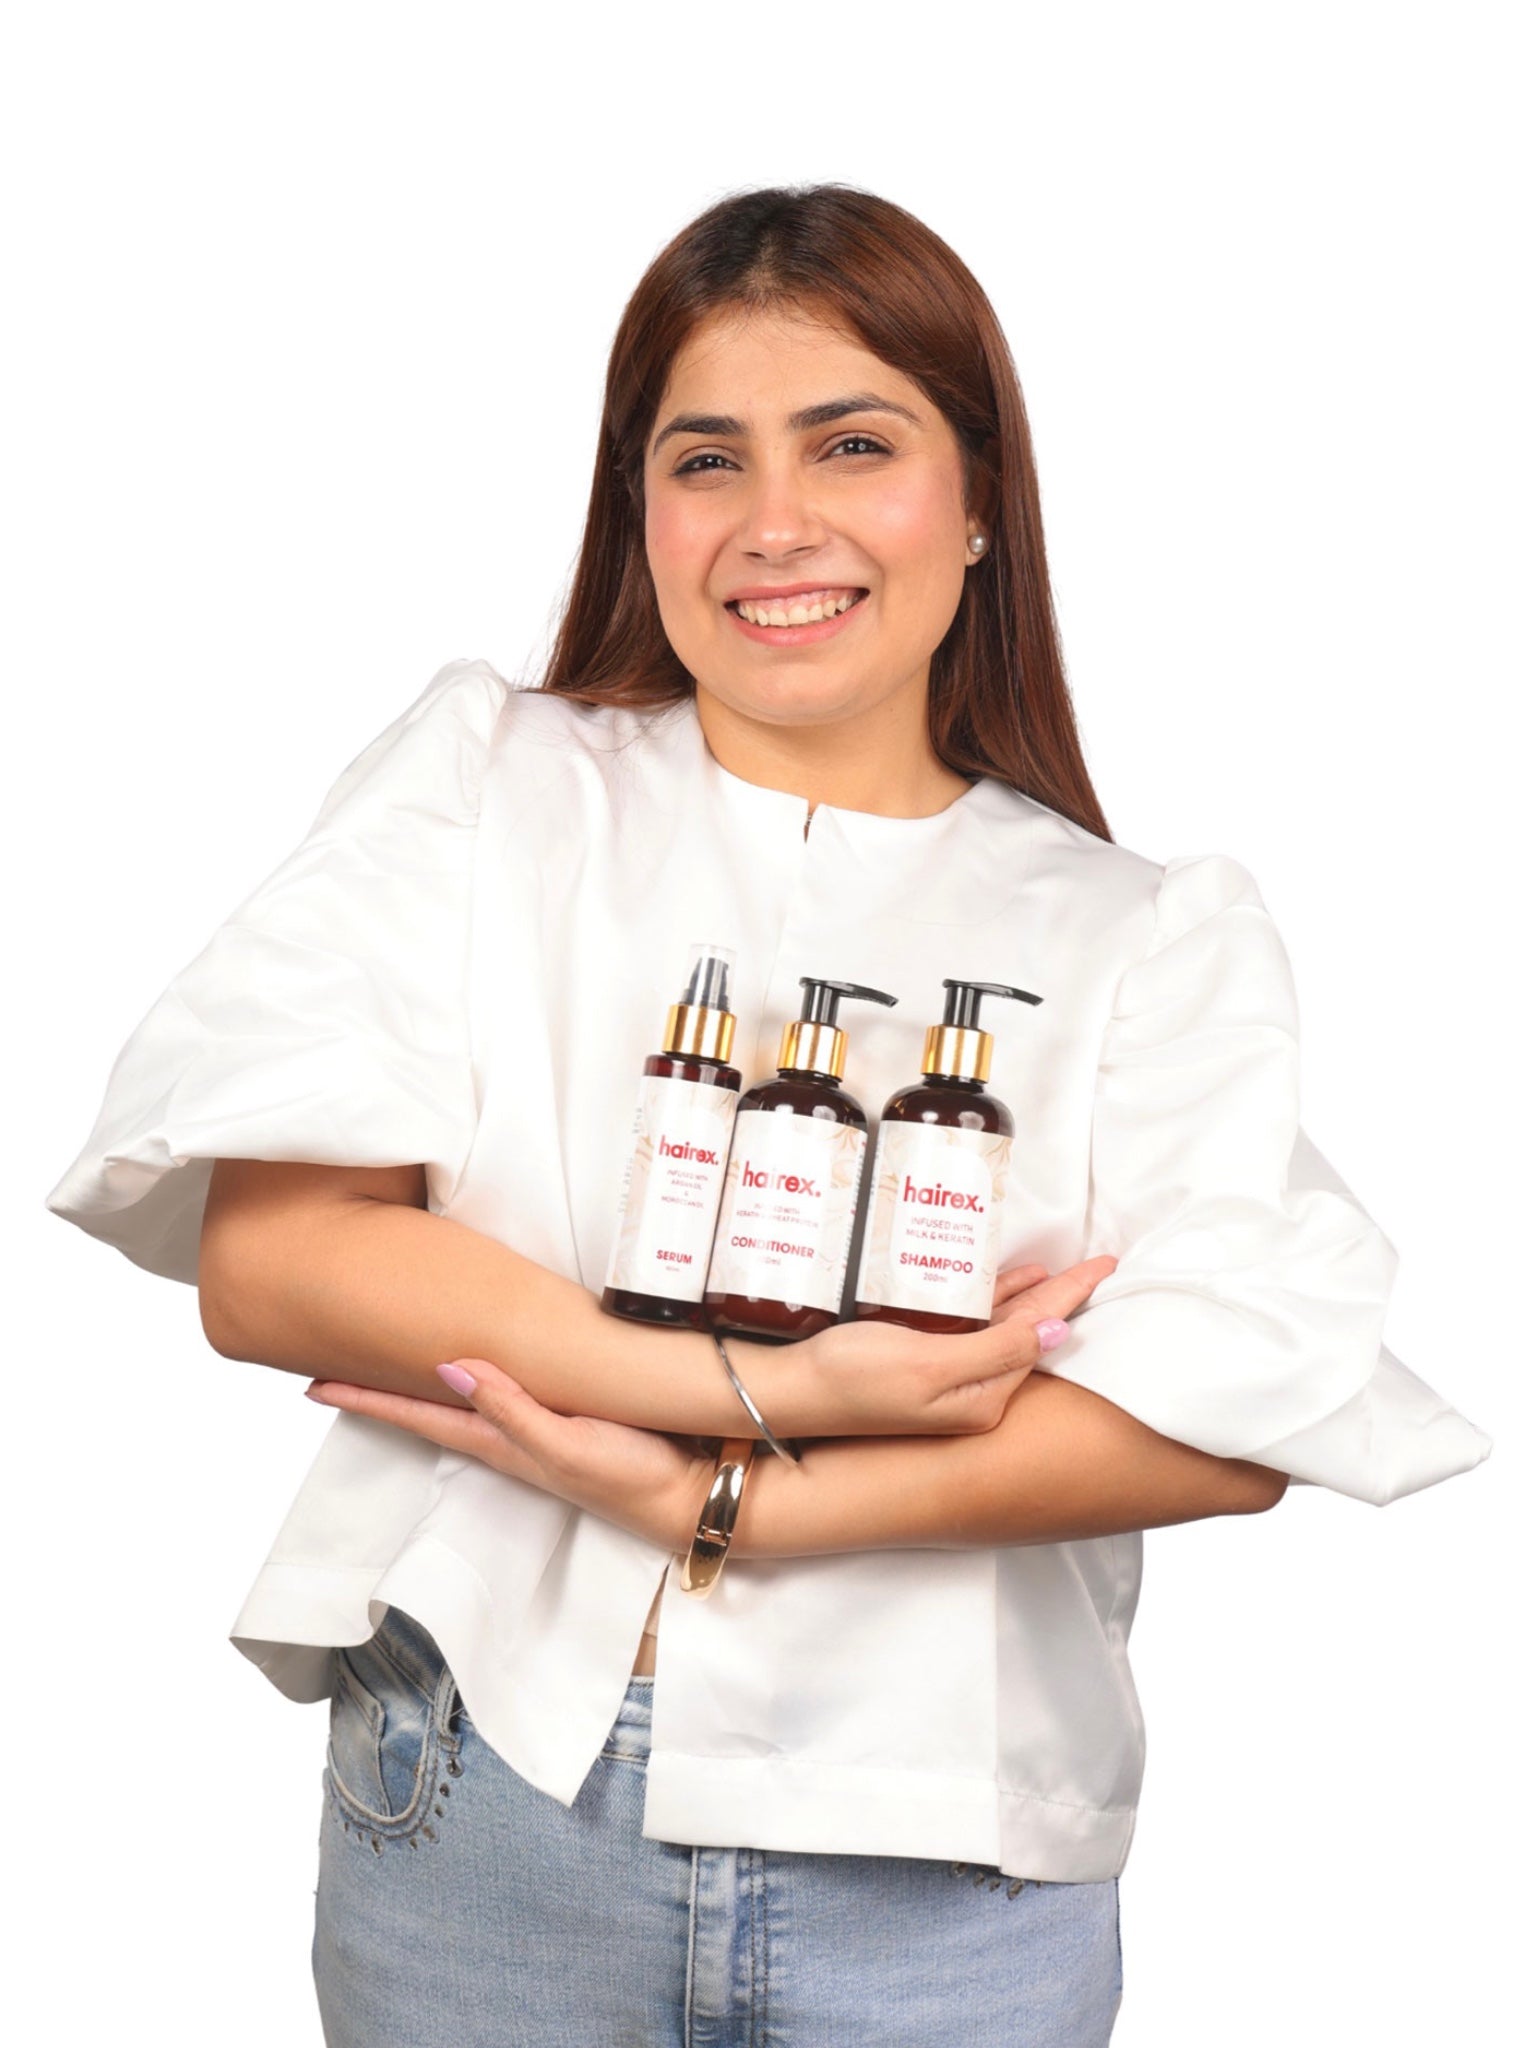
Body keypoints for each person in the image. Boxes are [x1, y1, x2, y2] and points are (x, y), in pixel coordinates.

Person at [45, 184, 1491, 2046]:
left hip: (942, 1859)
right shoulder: (491, 790)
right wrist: (757, 1393)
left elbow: (1230, 1417)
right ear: (636, 508)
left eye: (854, 444)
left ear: (981, 501)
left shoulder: (1140, 936)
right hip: (494, 1800)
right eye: (706, 458)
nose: (774, 523)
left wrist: (726, 1507)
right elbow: (282, 1265)